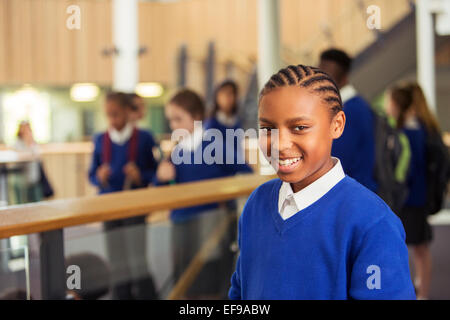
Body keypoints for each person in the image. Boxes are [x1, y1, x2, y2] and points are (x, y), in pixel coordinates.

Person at [228, 64, 415, 300]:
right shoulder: (257, 204)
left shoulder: (373, 223)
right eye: (268, 128)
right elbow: (239, 292)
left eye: (300, 127)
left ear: (336, 125)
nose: (280, 144)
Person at [155, 89, 252, 298]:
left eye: (178, 119)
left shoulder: (215, 145)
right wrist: (162, 177)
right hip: (181, 227)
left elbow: (246, 173)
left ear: (196, 117)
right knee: (185, 282)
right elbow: (161, 188)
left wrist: (223, 196)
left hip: (213, 228)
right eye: (170, 120)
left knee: (211, 283)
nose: (173, 126)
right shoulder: (176, 152)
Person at [88, 92, 158, 300]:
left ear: (128, 112)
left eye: (116, 114)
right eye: (108, 115)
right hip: (109, 208)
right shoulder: (100, 139)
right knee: (116, 261)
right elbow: (91, 174)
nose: (112, 120)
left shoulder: (144, 138)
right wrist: (98, 176)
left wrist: (140, 176)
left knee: (137, 259)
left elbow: (154, 173)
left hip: (135, 208)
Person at [386, 83, 440, 300]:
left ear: (399, 105)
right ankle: (419, 290)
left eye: (390, 101)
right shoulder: (412, 130)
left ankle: (422, 294)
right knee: (416, 249)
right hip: (412, 199)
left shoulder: (410, 133)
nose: (387, 106)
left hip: (412, 200)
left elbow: (409, 170)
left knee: (418, 249)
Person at [319, 49, 377, 192]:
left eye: (326, 75)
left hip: (354, 195)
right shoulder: (354, 106)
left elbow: (336, 158)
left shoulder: (351, 111)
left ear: (344, 77)